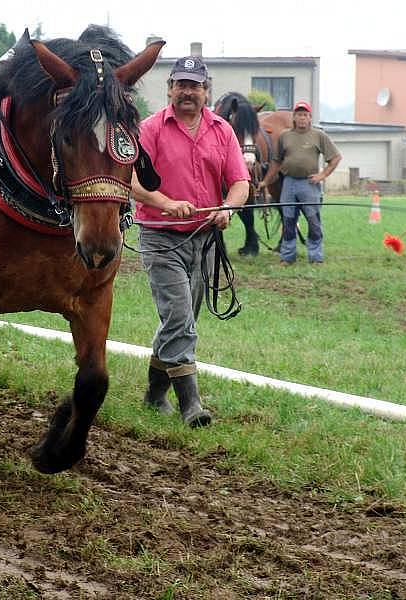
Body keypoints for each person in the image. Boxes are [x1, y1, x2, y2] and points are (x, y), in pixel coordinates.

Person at [131, 56, 249, 428]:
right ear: (169, 89)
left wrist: (228, 208)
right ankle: (191, 405)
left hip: (205, 240)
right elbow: (131, 181)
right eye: (181, 85)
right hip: (160, 237)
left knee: (180, 319)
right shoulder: (149, 129)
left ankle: (153, 394)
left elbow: (240, 183)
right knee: (180, 316)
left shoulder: (223, 131)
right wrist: (166, 203)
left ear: (205, 90)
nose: (187, 92)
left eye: (194, 85)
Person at [257, 101, 341, 265]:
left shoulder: (319, 135)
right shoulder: (285, 136)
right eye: (299, 115)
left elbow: (335, 158)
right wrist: (265, 182)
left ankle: (315, 257)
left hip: (309, 185)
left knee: (313, 221)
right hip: (289, 183)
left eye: (305, 115)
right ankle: (287, 257)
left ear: (310, 118)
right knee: (288, 221)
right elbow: (276, 161)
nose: (302, 118)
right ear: (294, 117)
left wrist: (322, 175)